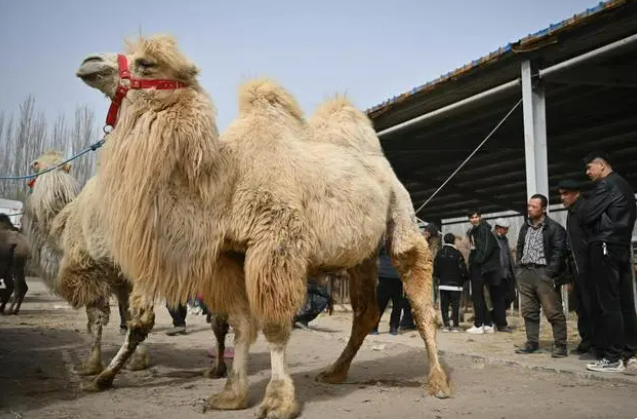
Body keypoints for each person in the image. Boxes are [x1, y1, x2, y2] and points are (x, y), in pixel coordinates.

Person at [577, 153, 637, 374]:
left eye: (590, 168)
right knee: (625, 303)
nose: (587, 173)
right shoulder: (625, 186)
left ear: (601, 166)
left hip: (604, 245)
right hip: (620, 246)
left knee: (608, 303)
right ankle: (629, 354)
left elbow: (585, 215)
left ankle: (612, 357)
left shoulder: (606, 185)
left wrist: (586, 205)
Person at [515, 194, 568, 358]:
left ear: (544, 209)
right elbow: (520, 247)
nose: (529, 209)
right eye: (529, 206)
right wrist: (519, 267)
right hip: (525, 272)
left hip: (543, 273)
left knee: (552, 310)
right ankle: (532, 343)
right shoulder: (525, 227)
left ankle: (560, 345)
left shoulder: (554, 228)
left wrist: (550, 273)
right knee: (528, 311)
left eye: (534, 207)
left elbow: (559, 253)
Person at [558, 180, 593, 357]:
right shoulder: (571, 212)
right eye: (561, 193)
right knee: (580, 306)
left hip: (587, 267)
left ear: (576, 193)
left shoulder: (584, 209)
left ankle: (596, 345)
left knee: (591, 306)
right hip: (575, 267)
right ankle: (586, 341)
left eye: (566, 193)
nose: (562, 197)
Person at [466, 209, 503, 334]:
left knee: (477, 296)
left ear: (480, 217)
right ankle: (487, 324)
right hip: (482, 267)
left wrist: (476, 262)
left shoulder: (483, 230)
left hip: (481, 267)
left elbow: (486, 249)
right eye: (471, 217)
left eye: (476, 217)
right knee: (479, 296)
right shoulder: (476, 231)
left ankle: (478, 324)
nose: (474, 219)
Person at [434, 233, 469, 332]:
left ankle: (446, 325)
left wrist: (438, 280)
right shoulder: (458, 253)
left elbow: (435, 270)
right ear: (453, 241)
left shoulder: (439, 253)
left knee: (444, 306)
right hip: (456, 286)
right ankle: (456, 326)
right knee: (455, 306)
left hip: (443, 285)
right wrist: (464, 280)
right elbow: (463, 270)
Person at [371, 243, 404, 335]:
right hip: (394, 277)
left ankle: (374, 328)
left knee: (381, 304)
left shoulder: (385, 243)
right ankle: (393, 328)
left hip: (387, 276)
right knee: (396, 305)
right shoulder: (401, 244)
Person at [493, 218, 515, 333]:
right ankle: (502, 324)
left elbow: (508, 256)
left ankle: (492, 316)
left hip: (507, 274)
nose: (506, 231)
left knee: (511, 296)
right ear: (498, 228)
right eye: (505, 229)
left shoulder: (504, 239)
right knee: (499, 300)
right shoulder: (491, 238)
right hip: (496, 274)